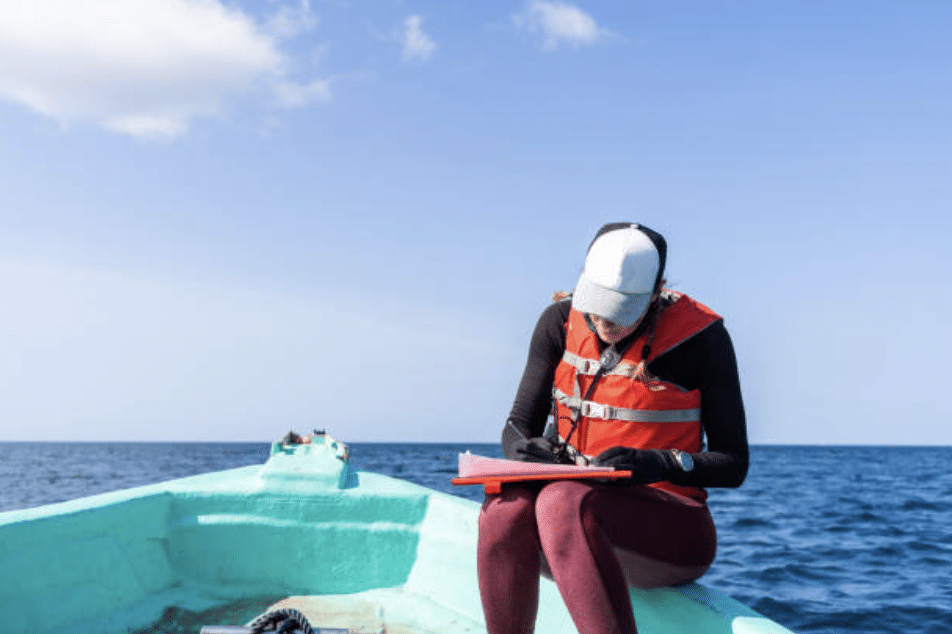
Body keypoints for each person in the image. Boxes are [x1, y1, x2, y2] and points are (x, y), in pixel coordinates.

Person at [477, 223, 749, 634]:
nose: (606, 321)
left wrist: (659, 463)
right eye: (600, 304)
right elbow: (516, 426)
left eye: (623, 309)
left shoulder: (704, 340)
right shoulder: (557, 322)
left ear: (656, 291)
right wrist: (523, 450)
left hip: (672, 531)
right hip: (567, 527)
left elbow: (733, 464)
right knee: (505, 508)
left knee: (561, 503)